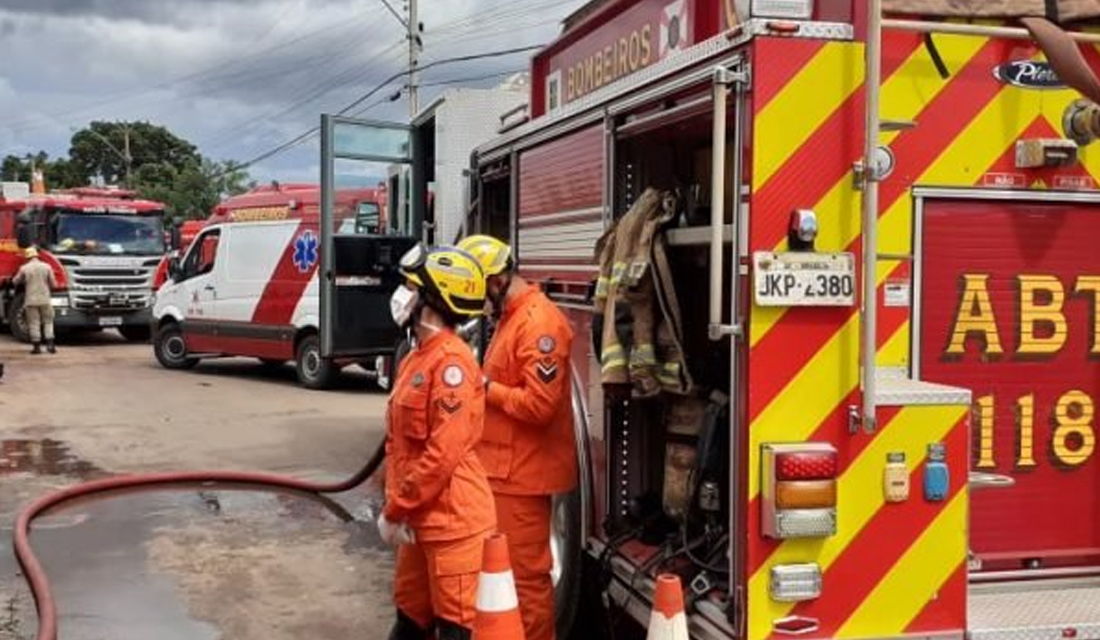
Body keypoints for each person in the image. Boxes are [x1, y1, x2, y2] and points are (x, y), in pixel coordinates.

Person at [457, 234, 578, 640]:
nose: (479, 304)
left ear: (494, 281)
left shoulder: (539, 324)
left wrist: (485, 387)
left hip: (523, 477)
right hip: (506, 474)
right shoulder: (512, 318)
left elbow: (539, 406)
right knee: (503, 577)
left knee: (525, 582)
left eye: (479, 292)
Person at [381, 243, 496, 640]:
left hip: (453, 526)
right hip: (418, 520)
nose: (403, 295)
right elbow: (399, 444)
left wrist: (395, 508)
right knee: (409, 619)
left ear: (432, 298)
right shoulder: (417, 357)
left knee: (455, 628)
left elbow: (441, 455)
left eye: (412, 287)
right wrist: (398, 506)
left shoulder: (452, 365)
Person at [14, 247, 58, 355]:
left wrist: (23, 281)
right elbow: (53, 284)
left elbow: (15, 281)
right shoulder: (47, 266)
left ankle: (36, 348)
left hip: (31, 300)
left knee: (34, 323)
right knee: (48, 322)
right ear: (37, 256)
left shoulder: (24, 268)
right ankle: (50, 346)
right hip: (45, 299)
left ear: (27, 257)